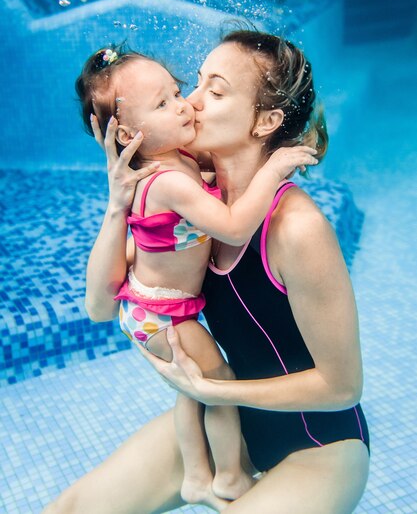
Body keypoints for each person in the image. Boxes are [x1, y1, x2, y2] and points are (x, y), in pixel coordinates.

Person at [43, 30, 369, 514]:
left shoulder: (296, 227)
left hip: (317, 444)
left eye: (213, 92)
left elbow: (342, 388)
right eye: (192, 84)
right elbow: (98, 306)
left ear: (267, 121)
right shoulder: (196, 204)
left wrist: (210, 389)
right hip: (229, 423)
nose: (190, 102)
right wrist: (117, 204)